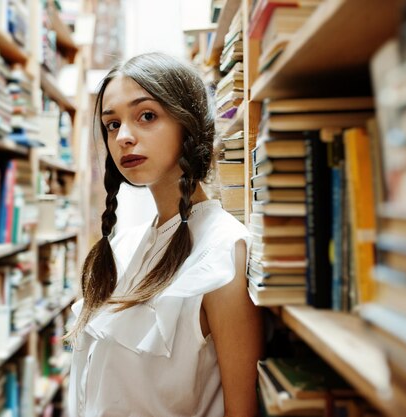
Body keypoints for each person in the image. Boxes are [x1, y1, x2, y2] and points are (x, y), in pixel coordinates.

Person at [67, 52, 263, 417]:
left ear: (187, 125)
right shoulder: (127, 243)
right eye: (112, 124)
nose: (123, 137)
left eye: (146, 116)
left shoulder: (223, 252)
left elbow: (242, 410)